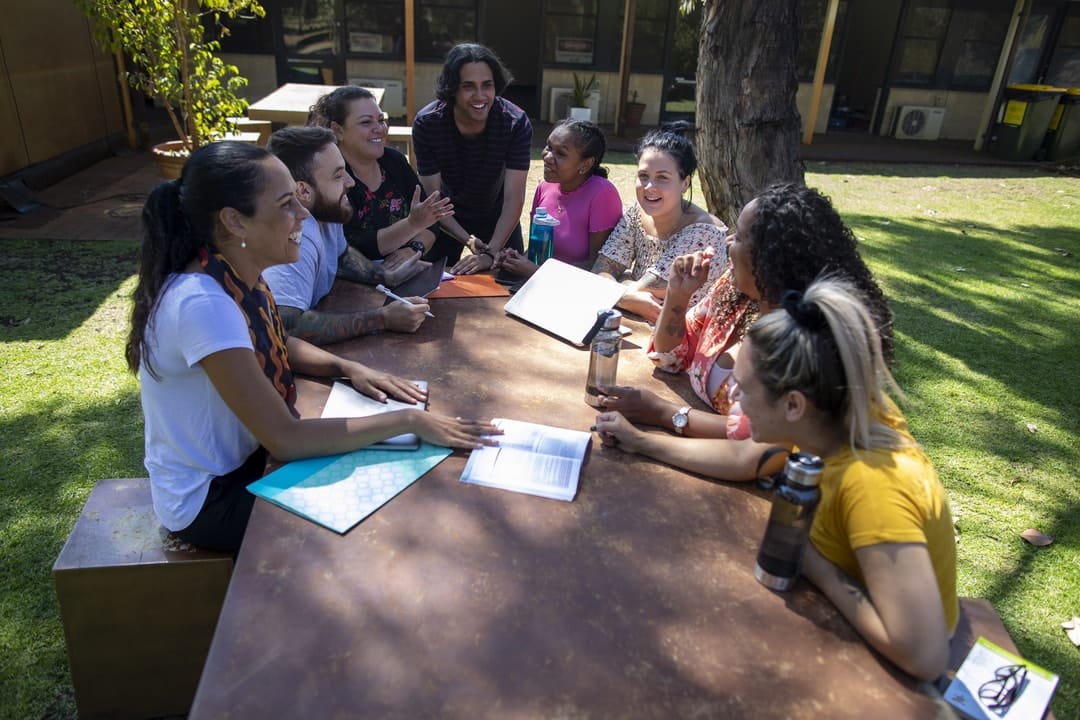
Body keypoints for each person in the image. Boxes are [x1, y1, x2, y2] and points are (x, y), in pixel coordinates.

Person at [127, 141, 499, 552]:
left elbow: (274, 340)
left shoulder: (228, 272)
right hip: (212, 498)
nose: (302, 214)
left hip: (249, 459)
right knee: (383, 527)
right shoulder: (204, 302)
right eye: (286, 204)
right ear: (234, 221)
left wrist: (348, 368)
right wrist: (407, 422)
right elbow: (286, 438)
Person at [731, 276, 957, 681]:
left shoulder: (873, 486)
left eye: (744, 389)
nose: (734, 398)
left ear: (794, 405)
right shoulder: (832, 417)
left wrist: (811, 562)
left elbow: (925, 656)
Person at [593, 184, 894, 480]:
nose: (728, 242)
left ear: (771, 258)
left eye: (740, 236)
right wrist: (677, 295)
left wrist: (659, 420)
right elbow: (672, 358)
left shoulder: (803, 340)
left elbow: (753, 454)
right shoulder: (734, 293)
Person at [262, 126, 431, 345]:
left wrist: (386, 277)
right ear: (303, 191)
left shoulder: (326, 212)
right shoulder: (296, 237)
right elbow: (286, 325)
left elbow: (341, 256)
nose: (350, 183)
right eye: (338, 175)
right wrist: (382, 318)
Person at [412, 43, 532, 275]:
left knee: (510, 283)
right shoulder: (428, 123)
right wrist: (467, 240)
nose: (480, 96)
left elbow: (514, 198)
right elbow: (433, 200)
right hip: (447, 215)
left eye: (487, 85)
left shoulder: (515, 122)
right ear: (452, 89)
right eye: (468, 87)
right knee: (432, 282)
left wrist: (491, 252)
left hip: (498, 215)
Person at [592, 122, 727, 323]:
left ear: (685, 183)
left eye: (662, 178)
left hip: (686, 340)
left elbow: (651, 288)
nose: (649, 186)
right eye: (643, 176)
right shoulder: (635, 215)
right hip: (636, 327)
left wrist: (621, 284)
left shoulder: (704, 233)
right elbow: (601, 271)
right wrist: (626, 291)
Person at [308, 86, 453, 268]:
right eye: (366, 122)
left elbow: (431, 223)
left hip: (411, 274)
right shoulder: (335, 177)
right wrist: (412, 225)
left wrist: (413, 249)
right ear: (338, 130)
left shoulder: (394, 161)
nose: (379, 129)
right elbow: (354, 246)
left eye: (381, 120)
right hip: (355, 284)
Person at [494, 119, 623, 278]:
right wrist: (514, 260)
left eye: (560, 153)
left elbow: (599, 266)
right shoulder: (544, 187)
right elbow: (538, 253)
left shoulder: (603, 193)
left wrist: (537, 272)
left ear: (586, 164)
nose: (547, 157)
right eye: (548, 147)